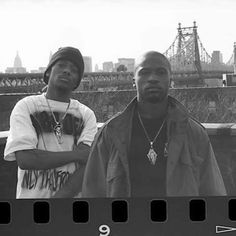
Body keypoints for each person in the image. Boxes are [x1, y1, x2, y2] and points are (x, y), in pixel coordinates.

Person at [82, 51, 227, 197]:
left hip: (177, 219)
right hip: (127, 220)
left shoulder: (194, 133)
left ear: (170, 80)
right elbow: (93, 194)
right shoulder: (111, 133)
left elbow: (213, 193)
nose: (153, 79)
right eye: (144, 73)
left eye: (161, 72)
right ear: (134, 80)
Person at [4, 46, 97, 198]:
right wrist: (76, 155)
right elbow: (25, 159)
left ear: (77, 81)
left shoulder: (86, 114)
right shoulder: (27, 106)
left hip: (70, 210)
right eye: (61, 65)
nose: (67, 71)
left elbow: (86, 165)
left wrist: (57, 201)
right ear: (48, 72)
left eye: (74, 69)